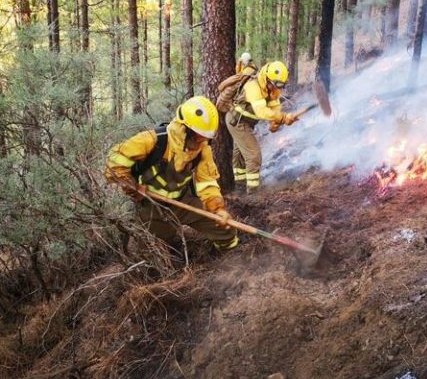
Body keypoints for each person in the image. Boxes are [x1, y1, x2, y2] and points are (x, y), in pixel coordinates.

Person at [105, 96, 239, 252]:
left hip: (184, 201)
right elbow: (114, 160)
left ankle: (232, 256)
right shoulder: (153, 140)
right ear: (184, 128)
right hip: (153, 206)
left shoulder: (202, 148)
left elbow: (207, 182)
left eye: (206, 137)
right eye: (198, 135)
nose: (202, 140)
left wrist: (218, 209)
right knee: (151, 252)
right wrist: (130, 185)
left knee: (225, 230)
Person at [226, 60, 299, 192]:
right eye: (275, 84)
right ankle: (252, 193)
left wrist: (275, 123)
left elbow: (275, 110)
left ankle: (240, 186)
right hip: (236, 122)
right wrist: (283, 118)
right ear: (266, 78)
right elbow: (261, 111)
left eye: (280, 85)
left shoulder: (273, 89)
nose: (276, 88)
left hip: (247, 123)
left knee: (241, 155)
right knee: (254, 155)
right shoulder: (253, 87)